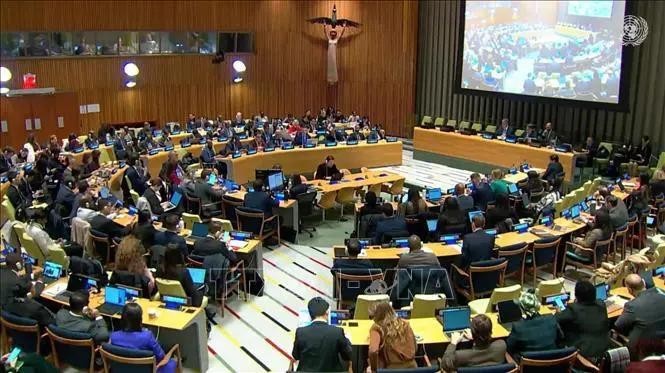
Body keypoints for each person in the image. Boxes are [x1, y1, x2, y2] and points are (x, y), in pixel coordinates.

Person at [109, 303, 177, 373]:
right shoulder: (147, 336)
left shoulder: (113, 336)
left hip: (121, 370)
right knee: (173, 360)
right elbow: (161, 357)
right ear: (140, 319)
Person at [291, 297, 352, 372]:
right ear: (326, 313)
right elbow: (347, 356)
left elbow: (296, 356)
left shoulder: (300, 332)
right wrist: (347, 339)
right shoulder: (337, 332)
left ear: (310, 315)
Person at [555, 280, 610, 361]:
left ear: (576, 296)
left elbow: (556, 319)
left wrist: (558, 312)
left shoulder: (573, 309)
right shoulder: (601, 304)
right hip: (604, 352)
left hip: (584, 356)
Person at [615, 274, 665, 349]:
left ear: (630, 290)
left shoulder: (632, 305)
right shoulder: (662, 297)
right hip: (661, 343)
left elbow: (618, 326)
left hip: (642, 348)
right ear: (644, 283)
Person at [440, 314, 507, 370]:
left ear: (472, 333)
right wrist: (475, 338)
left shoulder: (460, 356)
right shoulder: (502, 345)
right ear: (490, 331)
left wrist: (453, 343)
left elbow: (445, 365)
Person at [506, 290, 560, 359]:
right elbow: (560, 339)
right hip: (554, 365)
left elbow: (509, 348)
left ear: (522, 309)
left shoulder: (518, 327)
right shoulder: (551, 319)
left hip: (528, 368)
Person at [368, 302, 417, 370]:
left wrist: (374, 369)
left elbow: (373, 351)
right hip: (413, 369)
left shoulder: (377, 327)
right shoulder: (405, 324)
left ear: (376, 316)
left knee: (368, 369)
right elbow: (415, 347)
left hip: (392, 369)